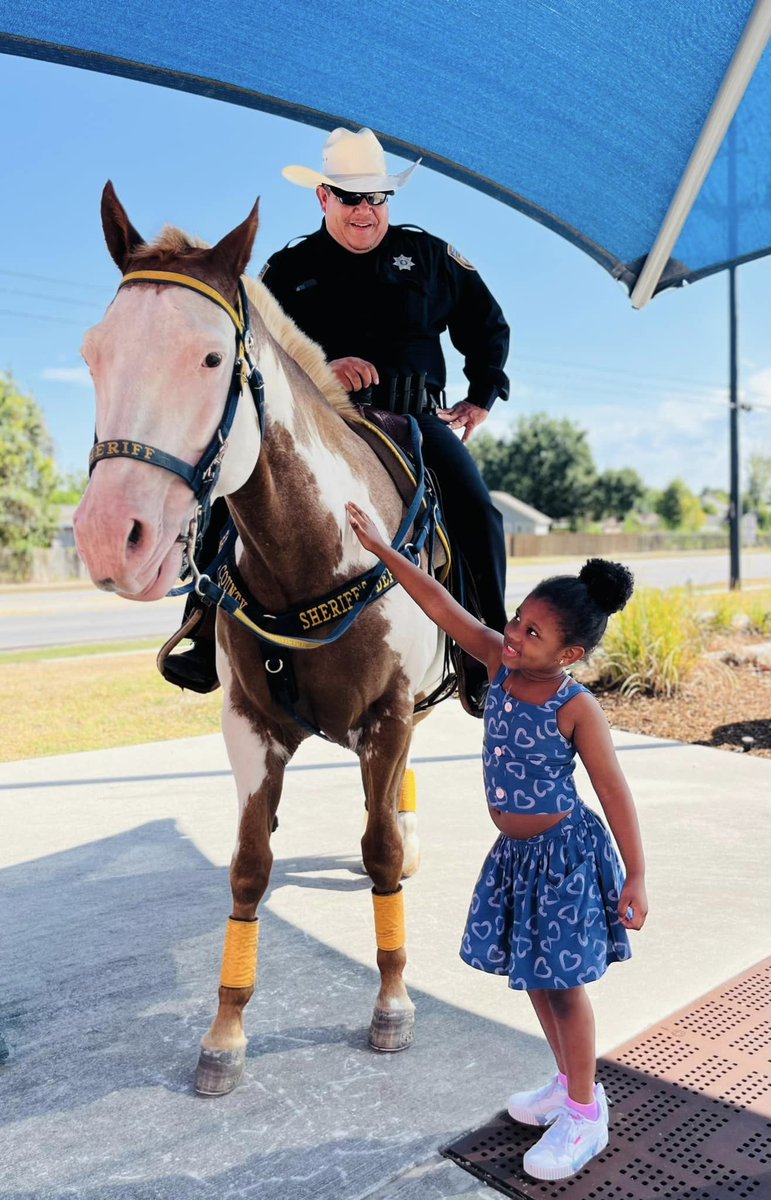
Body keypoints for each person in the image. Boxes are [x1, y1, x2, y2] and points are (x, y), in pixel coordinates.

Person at [346, 498, 648, 1182]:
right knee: (538, 979)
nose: (512, 634)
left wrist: (635, 874)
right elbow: (441, 605)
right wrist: (384, 550)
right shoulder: (499, 664)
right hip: (517, 859)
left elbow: (613, 792)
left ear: (569, 655)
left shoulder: (576, 707)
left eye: (532, 633)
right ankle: (570, 1084)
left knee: (564, 988)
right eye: (516, 619)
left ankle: (584, 1114)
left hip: (564, 859)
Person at [161, 128, 510, 716]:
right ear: (323, 197)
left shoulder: (428, 257)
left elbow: (487, 323)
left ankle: (489, 658)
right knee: (231, 489)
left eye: (376, 198)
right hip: (316, 418)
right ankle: (199, 627)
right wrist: (323, 366)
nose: (364, 211)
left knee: (479, 511)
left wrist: (482, 396)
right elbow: (256, 345)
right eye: (350, 198)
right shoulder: (288, 268)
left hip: (413, 419)